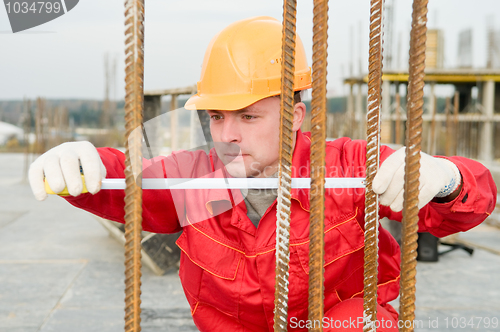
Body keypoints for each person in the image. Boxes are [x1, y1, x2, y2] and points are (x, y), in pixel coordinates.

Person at [29, 16, 496, 331]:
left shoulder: (348, 167)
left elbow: (464, 201)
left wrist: (448, 180)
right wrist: (81, 164)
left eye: (248, 117)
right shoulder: (196, 178)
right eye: (216, 117)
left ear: (294, 117)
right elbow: (132, 182)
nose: (227, 134)